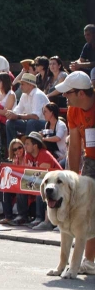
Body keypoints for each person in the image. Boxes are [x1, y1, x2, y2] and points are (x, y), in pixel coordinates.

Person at [55, 70, 95, 274]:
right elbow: (75, 146)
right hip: (91, 160)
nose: (65, 97)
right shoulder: (72, 111)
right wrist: (72, 179)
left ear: (81, 93)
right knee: (88, 210)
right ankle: (88, 261)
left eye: (67, 93)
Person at [9, 132, 62, 228]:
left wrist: (30, 172)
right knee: (21, 186)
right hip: (39, 183)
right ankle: (22, 216)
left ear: (35, 145)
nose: (25, 146)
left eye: (27, 144)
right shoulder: (28, 155)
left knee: (40, 189)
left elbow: (42, 177)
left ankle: (39, 218)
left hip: (56, 185)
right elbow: (26, 175)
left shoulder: (44, 154)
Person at [5, 73, 49, 148]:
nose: (20, 87)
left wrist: (17, 116)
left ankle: (27, 151)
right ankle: (13, 151)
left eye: (22, 84)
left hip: (46, 125)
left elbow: (36, 117)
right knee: (10, 123)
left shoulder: (37, 95)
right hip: (31, 123)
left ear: (31, 85)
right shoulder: (24, 94)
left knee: (31, 122)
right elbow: (18, 109)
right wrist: (11, 114)